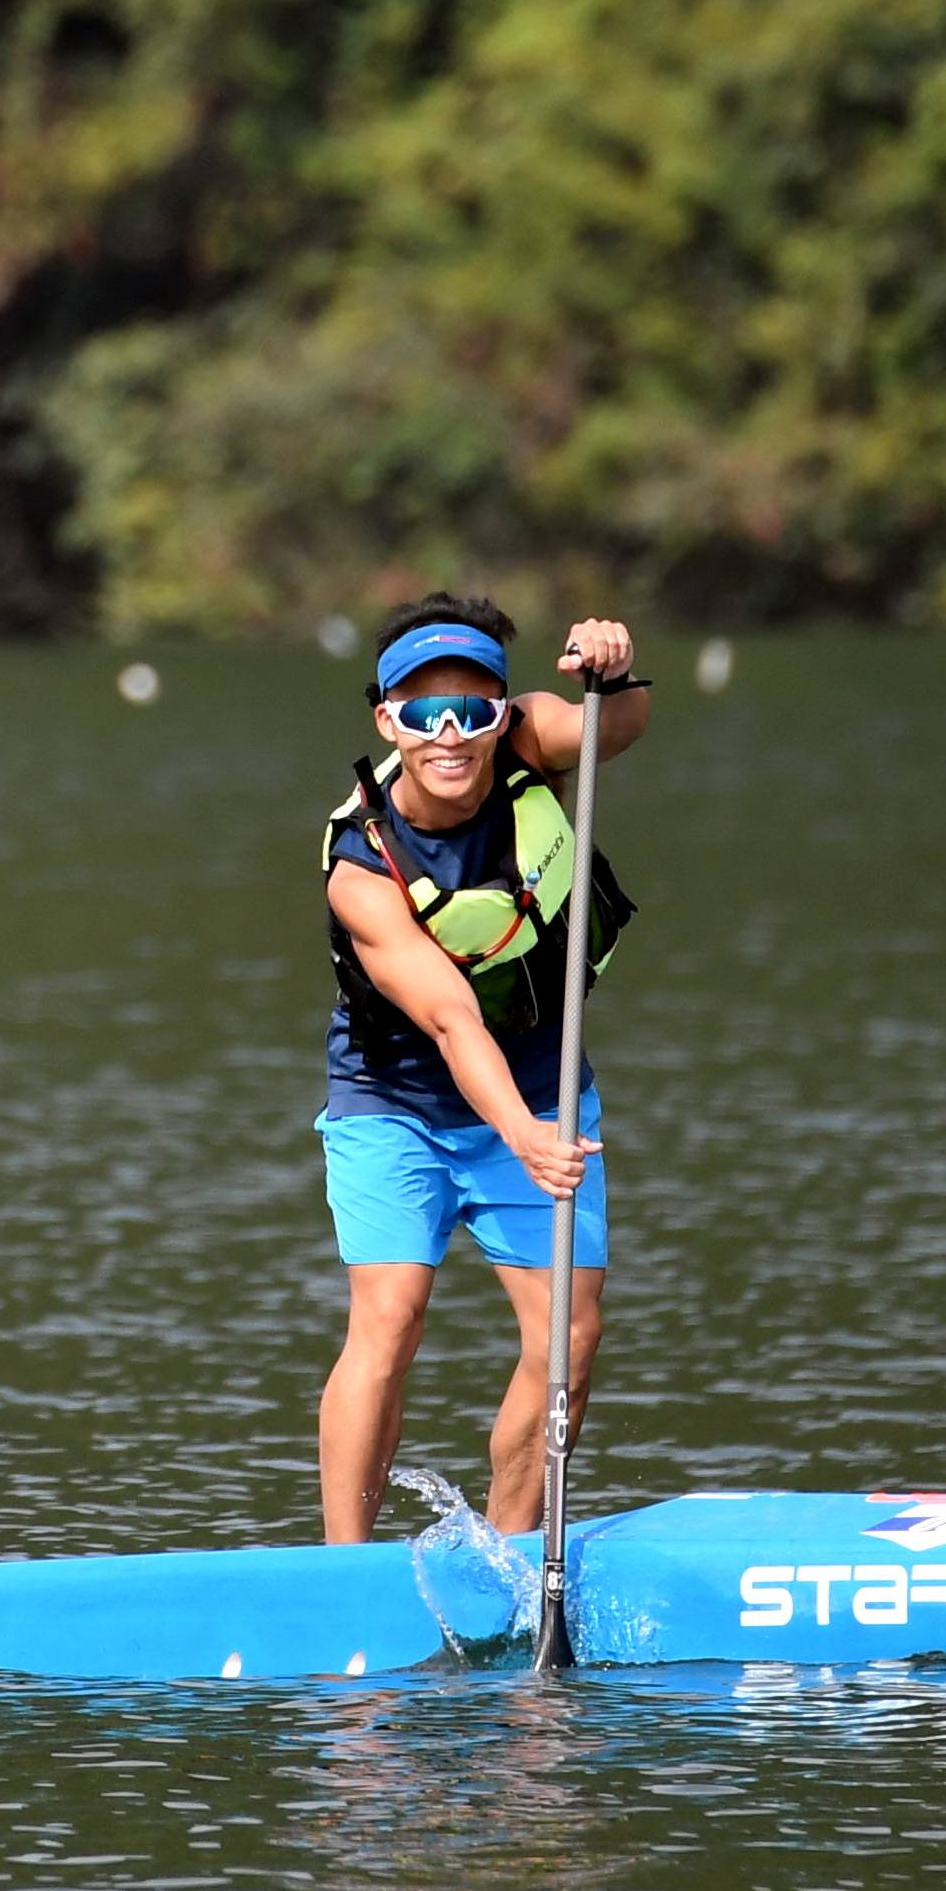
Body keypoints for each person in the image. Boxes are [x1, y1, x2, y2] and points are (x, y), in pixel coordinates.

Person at [314, 592, 649, 1541]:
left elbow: (618, 727)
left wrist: (614, 674)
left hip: (545, 1088)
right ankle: (345, 1571)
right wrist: (524, 1136)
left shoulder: (534, 739)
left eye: (473, 708)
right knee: (390, 1317)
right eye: (423, 714)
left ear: (505, 710)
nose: (451, 733)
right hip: (395, 1103)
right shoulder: (361, 862)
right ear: (388, 722)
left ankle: (508, 1558)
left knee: (569, 1343)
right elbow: (454, 1020)